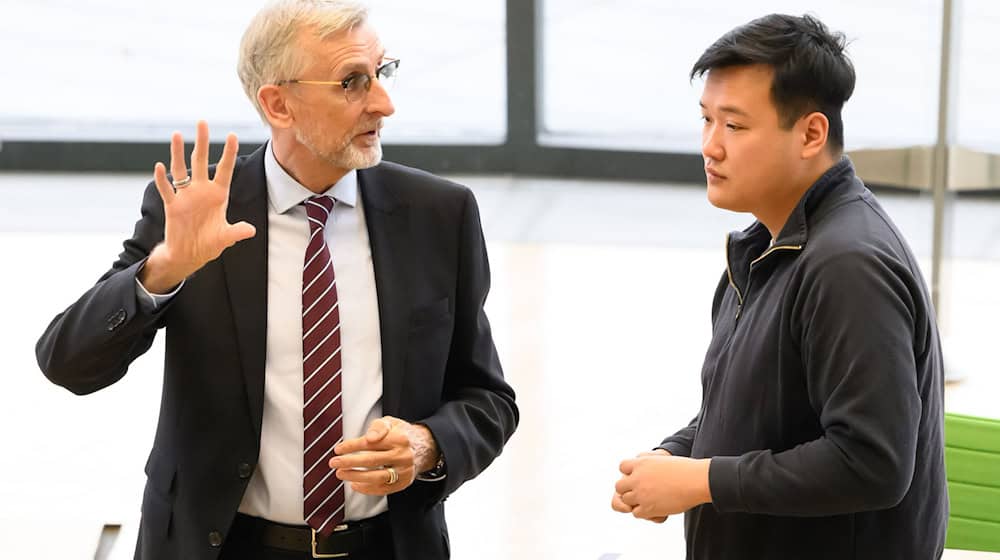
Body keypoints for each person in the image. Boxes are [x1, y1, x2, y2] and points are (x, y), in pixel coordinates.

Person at [35, 1, 518, 558]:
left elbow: (488, 399)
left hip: (386, 546)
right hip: (222, 546)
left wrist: (428, 445)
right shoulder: (201, 211)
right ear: (278, 103)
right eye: (352, 82)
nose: (384, 104)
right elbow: (66, 363)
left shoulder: (439, 215)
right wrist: (164, 269)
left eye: (381, 73)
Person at [611, 13, 947, 559]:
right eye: (706, 120)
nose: (710, 147)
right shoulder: (765, 245)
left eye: (735, 126)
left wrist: (702, 482)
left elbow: (872, 463)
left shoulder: (848, 266)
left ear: (812, 133)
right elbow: (762, 415)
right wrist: (676, 458)